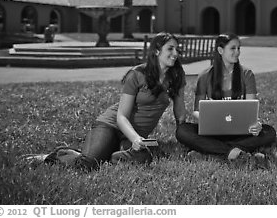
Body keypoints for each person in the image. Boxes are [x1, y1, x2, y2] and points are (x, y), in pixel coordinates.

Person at [29, 32, 187, 171]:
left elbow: (179, 110)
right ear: (156, 51)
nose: (175, 53)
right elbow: (121, 116)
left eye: (176, 49)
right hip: (111, 125)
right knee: (88, 164)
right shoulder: (137, 74)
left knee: (142, 158)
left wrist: (183, 135)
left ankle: (109, 157)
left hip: (135, 135)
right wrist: (135, 139)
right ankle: (58, 155)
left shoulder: (176, 76)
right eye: (170, 49)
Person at [176, 33, 276, 164]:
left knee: (269, 131)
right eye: (233, 48)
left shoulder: (246, 74)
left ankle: (211, 152)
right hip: (212, 132)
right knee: (182, 131)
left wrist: (256, 124)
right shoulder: (205, 76)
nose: (237, 52)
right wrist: (207, 121)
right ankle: (236, 151)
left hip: (240, 132)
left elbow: (251, 108)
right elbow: (196, 111)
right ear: (220, 50)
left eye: (239, 48)